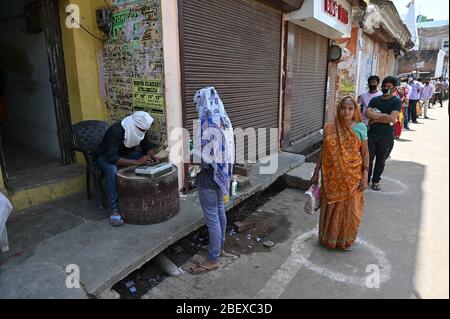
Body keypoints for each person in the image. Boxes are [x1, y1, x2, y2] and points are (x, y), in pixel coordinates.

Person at [311, 96, 369, 251]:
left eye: (350, 109)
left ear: (356, 110)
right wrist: (316, 172)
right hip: (332, 178)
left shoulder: (361, 128)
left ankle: (344, 240)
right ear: (338, 109)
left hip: (353, 177)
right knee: (331, 207)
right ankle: (327, 238)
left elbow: (365, 153)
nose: (346, 112)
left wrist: (365, 175)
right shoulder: (330, 128)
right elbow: (323, 151)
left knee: (350, 211)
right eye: (343, 108)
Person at [189, 87, 235, 275]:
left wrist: (191, 157)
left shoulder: (206, 124)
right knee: (219, 210)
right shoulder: (223, 119)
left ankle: (213, 259)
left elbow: (204, 160)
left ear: (202, 103)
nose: (196, 108)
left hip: (208, 177)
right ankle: (220, 247)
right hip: (222, 175)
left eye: (197, 104)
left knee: (212, 217)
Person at [96, 111, 159, 227]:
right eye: (142, 130)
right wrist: (137, 162)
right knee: (111, 170)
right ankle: (113, 209)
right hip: (104, 157)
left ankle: (138, 197)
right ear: (134, 125)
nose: (144, 132)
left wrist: (153, 156)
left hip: (125, 155)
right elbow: (112, 157)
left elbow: (146, 146)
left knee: (145, 158)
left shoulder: (140, 128)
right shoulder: (116, 131)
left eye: (145, 131)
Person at [365, 76, 402, 191]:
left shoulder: (396, 101)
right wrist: (384, 116)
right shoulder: (375, 100)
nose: (385, 88)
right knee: (368, 159)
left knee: (381, 161)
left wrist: (375, 119)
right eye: (384, 86)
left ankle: (376, 181)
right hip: (371, 135)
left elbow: (392, 119)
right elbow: (367, 114)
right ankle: (365, 180)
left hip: (386, 136)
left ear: (394, 88)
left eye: (389, 87)